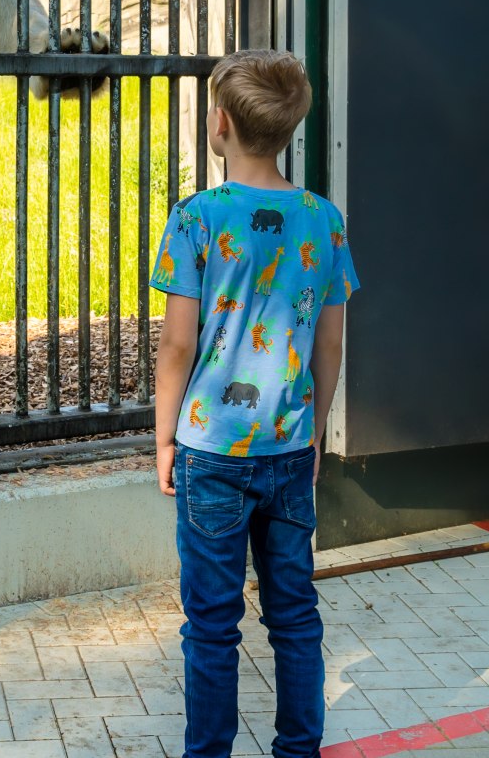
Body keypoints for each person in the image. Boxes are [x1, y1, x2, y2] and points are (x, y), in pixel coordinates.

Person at [151, 49, 359, 758]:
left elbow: (177, 346)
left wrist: (163, 437)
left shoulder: (196, 218)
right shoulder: (323, 220)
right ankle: (298, 750)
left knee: (211, 623)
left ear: (218, 124)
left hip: (211, 450)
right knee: (295, 616)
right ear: (288, 127)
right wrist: (312, 430)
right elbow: (330, 347)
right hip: (288, 449)